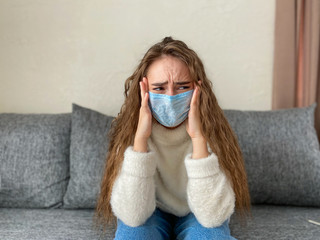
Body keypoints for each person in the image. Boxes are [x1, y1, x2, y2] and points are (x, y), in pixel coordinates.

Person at [94, 36, 251, 240]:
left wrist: (198, 138)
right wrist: (140, 139)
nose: (170, 97)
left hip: (197, 213)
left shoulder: (214, 130)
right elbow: (133, 216)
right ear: (144, 90)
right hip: (151, 212)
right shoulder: (128, 132)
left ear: (197, 88)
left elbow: (213, 216)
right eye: (159, 88)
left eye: (182, 87)